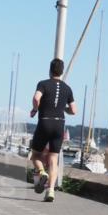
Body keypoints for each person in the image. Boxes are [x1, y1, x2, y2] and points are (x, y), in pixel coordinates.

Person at [29, 58, 76, 203]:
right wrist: (63, 109)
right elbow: (74, 110)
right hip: (59, 125)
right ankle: (50, 191)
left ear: (50, 70)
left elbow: (36, 99)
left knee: (35, 155)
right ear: (61, 72)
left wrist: (35, 109)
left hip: (45, 122)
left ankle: (41, 172)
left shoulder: (43, 84)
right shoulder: (67, 88)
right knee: (53, 159)